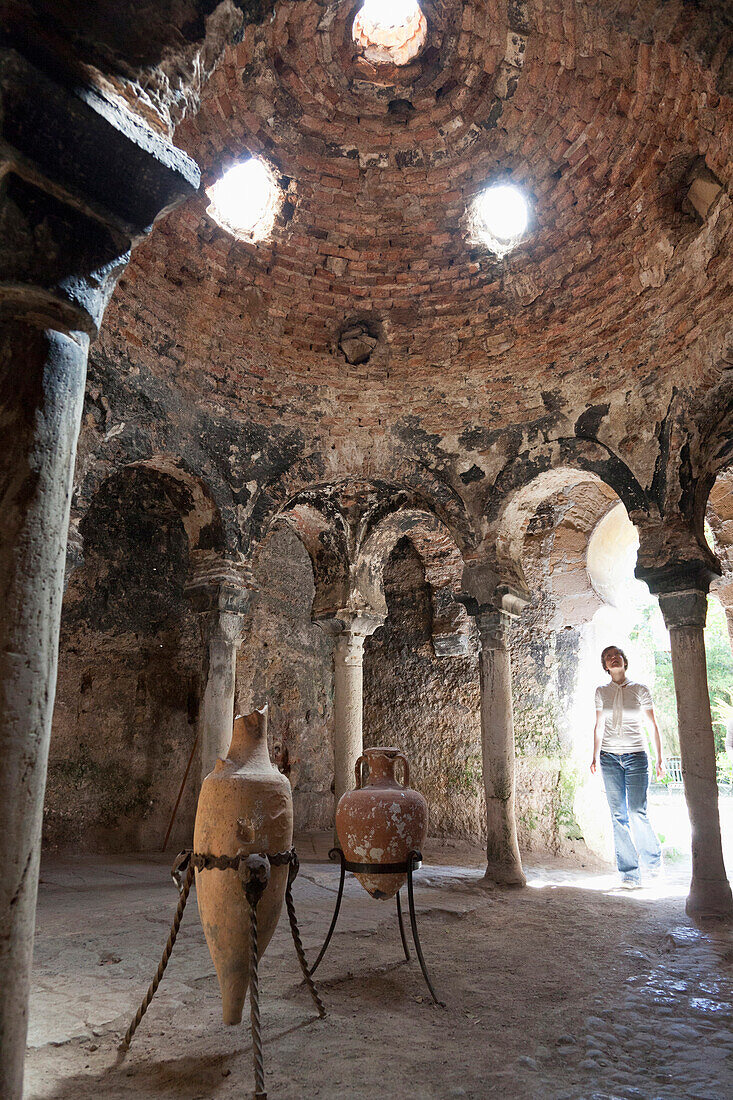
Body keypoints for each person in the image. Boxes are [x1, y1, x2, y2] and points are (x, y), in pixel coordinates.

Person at [591, 645, 663, 887]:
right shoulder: (601, 691)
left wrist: (660, 758)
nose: (613, 658)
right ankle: (629, 873)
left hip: (637, 756)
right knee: (618, 815)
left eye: (616, 655)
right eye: (608, 657)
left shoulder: (640, 689)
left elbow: (653, 726)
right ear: (605, 666)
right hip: (609, 758)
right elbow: (599, 726)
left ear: (624, 660)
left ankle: (653, 861)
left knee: (636, 811)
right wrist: (594, 756)